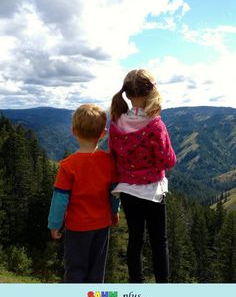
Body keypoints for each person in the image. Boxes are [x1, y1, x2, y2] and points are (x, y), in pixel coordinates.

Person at [109, 69, 176, 283]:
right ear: (150, 93)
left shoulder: (117, 123)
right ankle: (163, 288)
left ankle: (136, 285)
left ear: (127, 95)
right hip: (152, 191)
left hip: (128, 191)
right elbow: (168, 160)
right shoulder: (155, 124)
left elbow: (113, 156)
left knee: (135, 240)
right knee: (159, 242)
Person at [48, 103, 119, 283]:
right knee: (96, 271)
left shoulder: (68, 165)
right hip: (102, 225)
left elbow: (60, 198)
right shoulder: (108, 161)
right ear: (103, 133)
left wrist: (54, 224)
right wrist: (114, 212)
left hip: (77, 227)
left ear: (74, 131)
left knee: (76, 270)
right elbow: (114, 191)